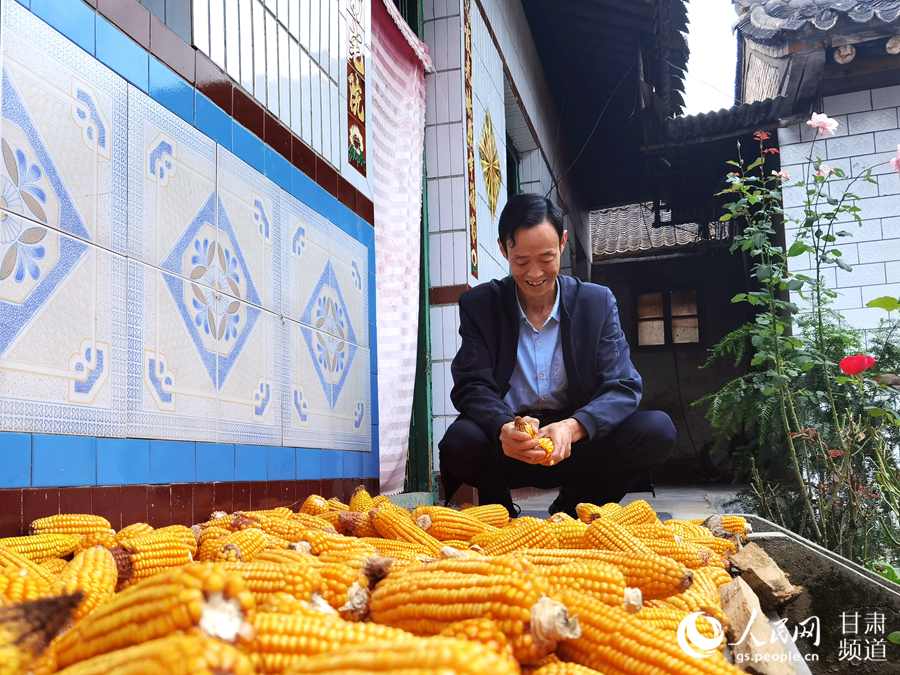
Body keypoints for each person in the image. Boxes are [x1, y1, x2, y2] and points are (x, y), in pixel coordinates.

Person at [438, 193, 676, 517]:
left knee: (656, 429)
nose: (535, 273)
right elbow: (471, 384)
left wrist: (574, 426)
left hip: (575, 445)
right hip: (511, 445)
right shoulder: (481, 305)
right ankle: (499, 512)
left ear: (563, 243)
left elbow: (623, 385)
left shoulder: (596, 303)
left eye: (546, 258)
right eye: (521, 261)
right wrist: (503, 427)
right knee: (459, 442)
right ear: (503, 249)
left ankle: (575, 505)